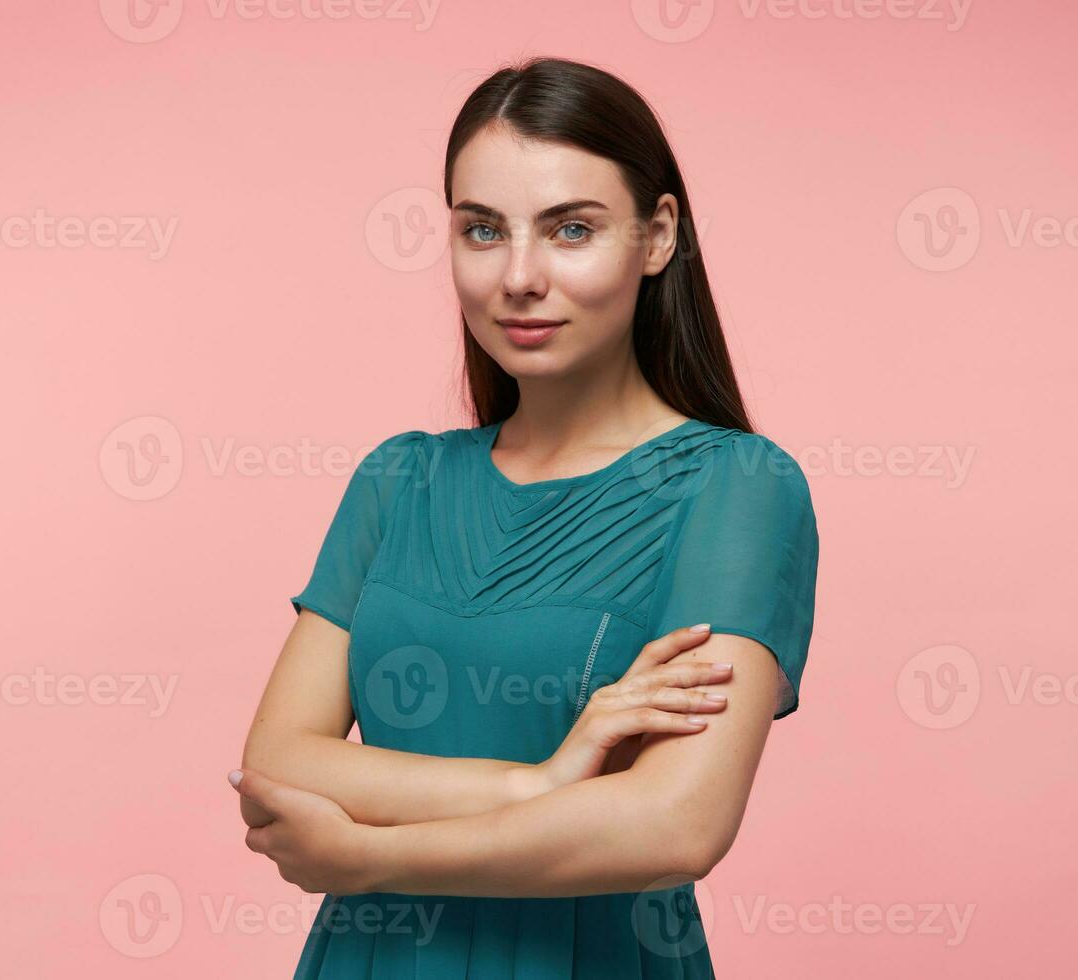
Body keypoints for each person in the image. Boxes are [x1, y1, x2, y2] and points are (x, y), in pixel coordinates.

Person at [232, 56, 821, 979]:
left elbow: (676, 821)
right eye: (481, 231)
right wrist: (537, 782)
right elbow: (279, 760)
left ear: (657, 235)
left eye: (571, 230)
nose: (517, 277)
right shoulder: (402, 479)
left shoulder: (735, 488)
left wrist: (373, 854)